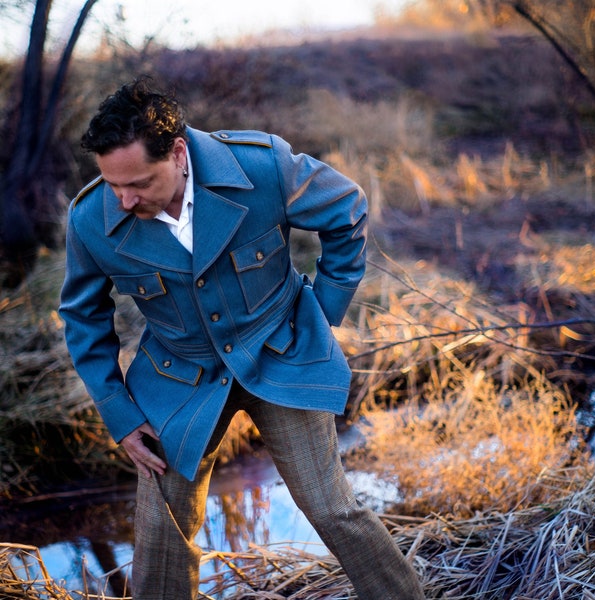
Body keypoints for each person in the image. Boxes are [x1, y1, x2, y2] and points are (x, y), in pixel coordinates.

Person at [59, 77, 425, 600]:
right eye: (114, 184)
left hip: (281, 353)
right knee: (163, 536)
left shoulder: (261, 166)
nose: (124, 198)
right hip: (175, 380)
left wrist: (321, 314)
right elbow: (82, 318)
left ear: (178, 152)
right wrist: (120, 413)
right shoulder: (91, 219)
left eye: (138, 182)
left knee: (332, 509)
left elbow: (347, 210)